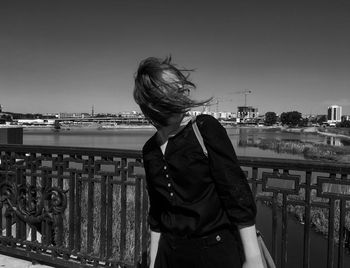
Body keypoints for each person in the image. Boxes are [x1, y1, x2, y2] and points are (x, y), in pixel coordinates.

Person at [133, 56, 264, 268]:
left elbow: (236, 195)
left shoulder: (205, 129)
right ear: (153, 102)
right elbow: (157, 213)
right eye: (174, 91)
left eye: (182, 89)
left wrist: (253, 258)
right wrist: (153, 260)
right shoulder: (150, 151)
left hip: (215, 252)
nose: (183, 96)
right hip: (170, 254)